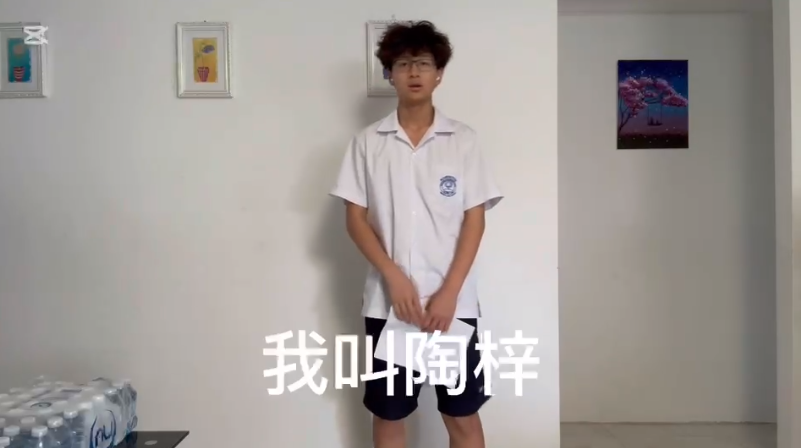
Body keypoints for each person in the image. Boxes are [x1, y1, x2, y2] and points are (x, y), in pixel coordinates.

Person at [329, 20, 503, 448]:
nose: (413, 72)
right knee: (390, 415)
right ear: (389, 73)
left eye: (423, 63)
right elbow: (355, 219)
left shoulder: (463, 141)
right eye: (403, 64)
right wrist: (394, 277)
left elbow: (475, 220)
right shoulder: (368, 142)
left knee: (461, 414)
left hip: (452, 305)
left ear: (439, 73)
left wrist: (450, 292)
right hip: (389, 305)